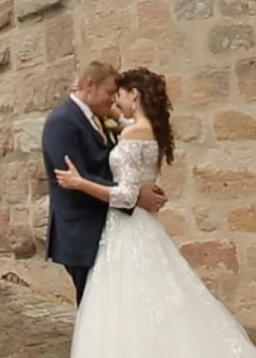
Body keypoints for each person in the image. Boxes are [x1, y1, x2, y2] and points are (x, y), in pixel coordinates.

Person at [53, 67, 256, 357]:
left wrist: (80, 182)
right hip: (143, 224)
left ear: (134, 95)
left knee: (125, 302)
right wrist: (116, 115)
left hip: (126, 227)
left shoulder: (131, 132)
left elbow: (127, 195)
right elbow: (127, 125)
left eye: (121, 95)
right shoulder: (147, 128)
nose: (116, 101)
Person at [42, 61, 166, 304]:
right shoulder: (62, 121)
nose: (113, 101)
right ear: (90, 85)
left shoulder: (100, 118)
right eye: (110, 93)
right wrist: (135, 196)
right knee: (94, 304)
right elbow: (74, 176)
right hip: (82, 230)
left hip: (109, 226)